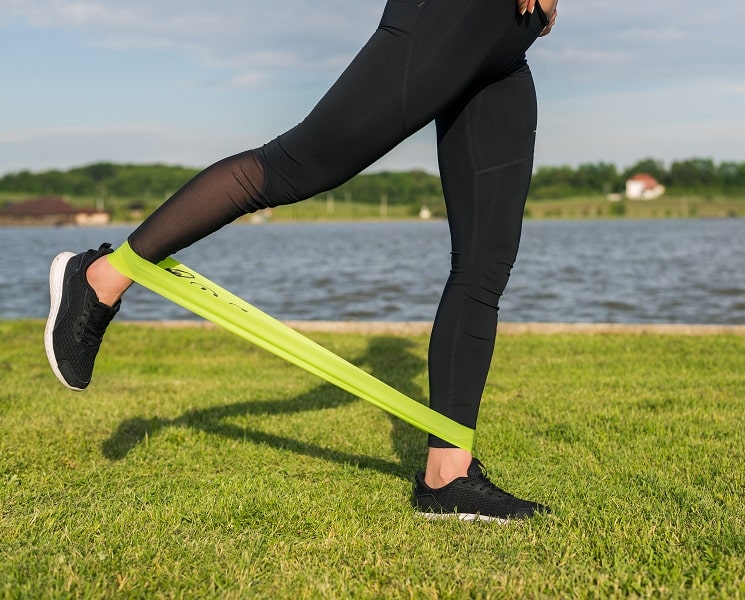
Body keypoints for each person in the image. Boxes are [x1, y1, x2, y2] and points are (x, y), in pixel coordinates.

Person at [45, 0, 558, 523]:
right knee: (297, 164)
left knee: (485, 262)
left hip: (511, 41)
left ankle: (447, 475)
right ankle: (99, 277)